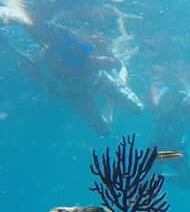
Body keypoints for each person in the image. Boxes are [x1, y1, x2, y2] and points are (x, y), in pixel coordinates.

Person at [14, 21, 145, 135]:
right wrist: (46, 83)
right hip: (74, 90)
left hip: (94, 80)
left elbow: (117, 63)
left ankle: (111, 100)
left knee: (137, 108)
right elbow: (28, 65)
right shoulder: (45, 53)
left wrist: (121, 79)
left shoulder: (80, 49)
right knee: (103, 130)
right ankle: (111, 101)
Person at [149, 67, 190, 187]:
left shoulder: (188, 96)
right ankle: (157, 179)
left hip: (175, 146)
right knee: (148, 179)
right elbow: (159, 106)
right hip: (162, 144)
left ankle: (158, 178)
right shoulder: (165, 93)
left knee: (187, 182)